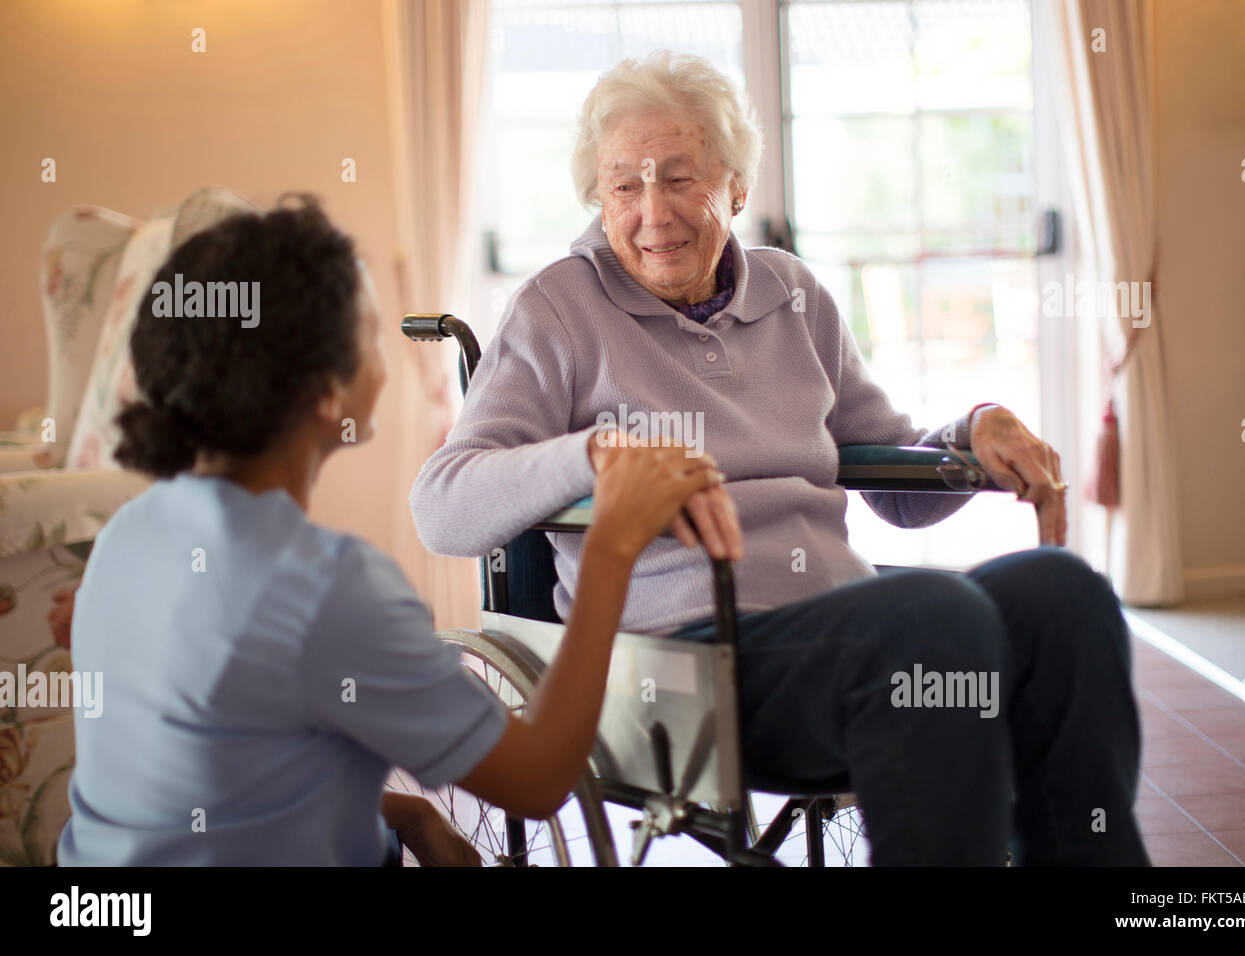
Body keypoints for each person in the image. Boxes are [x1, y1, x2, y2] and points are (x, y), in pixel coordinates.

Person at [410, 51, 1149, 865]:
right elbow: (442, 505)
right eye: (625, 186)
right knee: (934, 620)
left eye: (681, 179)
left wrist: (969, 433)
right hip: (677, 657)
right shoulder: (559, 310)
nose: (653, 213)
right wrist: (592, 455)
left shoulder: (794, 295)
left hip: (841, 623)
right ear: (599, 196)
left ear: (736, 186)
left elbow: (892, 477)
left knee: (1064, 596)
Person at [57, 195, 722, 866]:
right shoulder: (325, 587)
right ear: (326, 391)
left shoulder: (128, 536)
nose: (386, 351)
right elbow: (540, 778)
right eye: (372, 330)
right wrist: (611, 547)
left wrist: (405, 813)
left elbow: (219, 763)